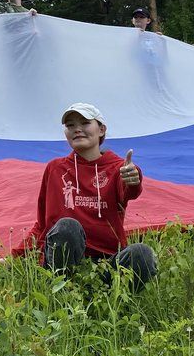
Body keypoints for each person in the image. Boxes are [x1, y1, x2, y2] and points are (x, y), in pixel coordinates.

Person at [26, 102, 157, 290]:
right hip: (64, 263)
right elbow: (42, 225)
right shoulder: (55, 168)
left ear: (101, 129)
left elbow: (129, 190)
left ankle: (115, 301)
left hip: (107, 265)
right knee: (67, 226)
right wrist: (13, 257)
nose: (77, 129)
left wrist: (133, 178)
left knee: (142, 253)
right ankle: (61, 294)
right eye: (70, 125)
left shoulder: (117, 169)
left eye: (85, 123)